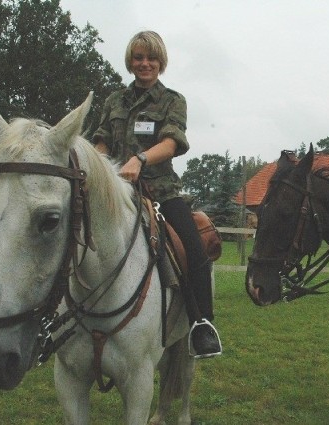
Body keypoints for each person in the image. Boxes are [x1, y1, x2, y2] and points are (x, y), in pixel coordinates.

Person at [92, 31, 222, 358]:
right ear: (130, 61)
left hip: (161, 190)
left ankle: (202, 324)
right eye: (138, 57)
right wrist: (98, 164)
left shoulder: (173, 100)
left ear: (160, 62)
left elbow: (171, 142)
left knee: (194, 248)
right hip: (116, 191)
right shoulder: (113, 101)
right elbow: (102, 141)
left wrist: (140, 158)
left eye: (151, 58)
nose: (144, 63)